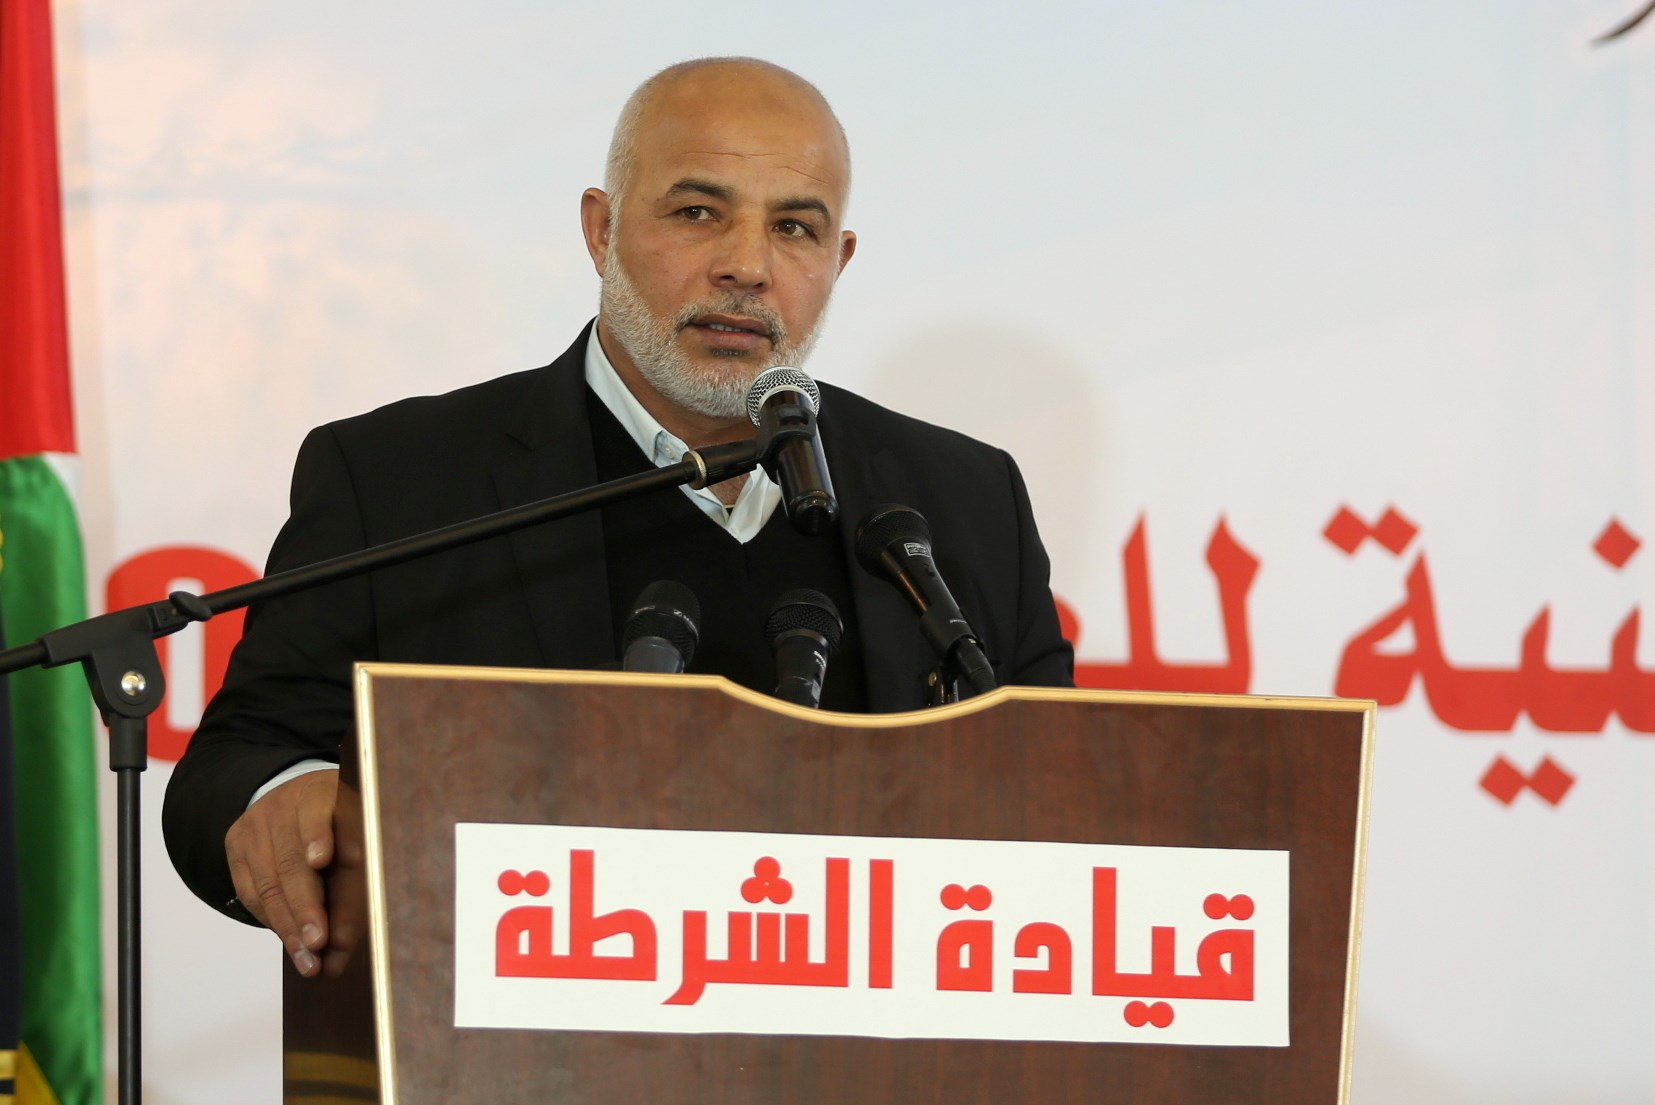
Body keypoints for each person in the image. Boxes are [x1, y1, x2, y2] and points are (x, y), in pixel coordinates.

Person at [162, 57, 1073, 980]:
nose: (747, 266)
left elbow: (1067, 799)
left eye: (793, 227)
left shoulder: (962, 498)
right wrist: (290, 793)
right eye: (698, 212)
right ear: (600, 230)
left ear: (835, 262)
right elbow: (240, 757)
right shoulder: (402, 477)